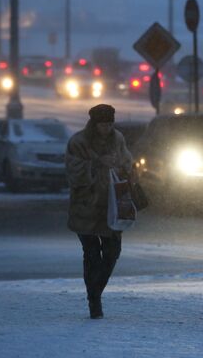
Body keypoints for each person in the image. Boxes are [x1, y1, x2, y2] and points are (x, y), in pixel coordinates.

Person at [65, 104, 133, 319]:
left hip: (112, 206)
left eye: (110, 123)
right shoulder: (78, 142)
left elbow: (128, 163)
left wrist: (122, 168)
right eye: (103, 124)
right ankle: (94, 301)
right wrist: (96, 164)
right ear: (94, 124)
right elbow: (72, 171)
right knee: (91, 254)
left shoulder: (118, 139)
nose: (107, 128)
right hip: (86, 207)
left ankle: (95, 292)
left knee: (112, 253)